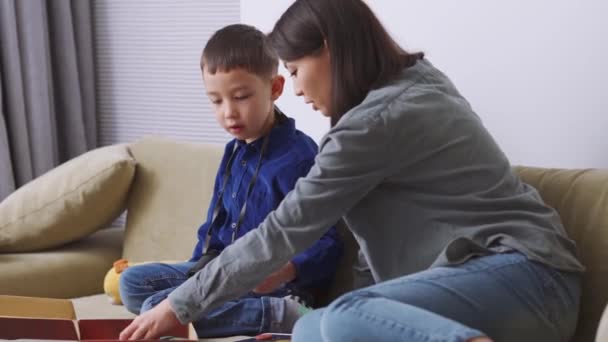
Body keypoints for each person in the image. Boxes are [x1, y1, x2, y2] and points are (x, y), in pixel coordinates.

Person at [120, 1, 584, 341]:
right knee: (311, 332)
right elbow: (371, 256)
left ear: (330, 51)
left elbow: (280, 232)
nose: (296, 90)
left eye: (296, 69)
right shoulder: (415, 84)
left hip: (530, 279)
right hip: (486, 287)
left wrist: (179, 306)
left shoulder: (375, 123)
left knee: (343, 316)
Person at [118, 23, 342, 338]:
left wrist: (286, 270)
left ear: (275, 88)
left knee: (156, 305)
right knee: (132, 284)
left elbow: (328, 242)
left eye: (240, 97)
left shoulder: (299, 157)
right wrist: (196, 279)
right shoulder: (232, 152)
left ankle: (278, 313)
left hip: (273, 286)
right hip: (222, 274)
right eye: (216, 100)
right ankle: (215, 304)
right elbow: (214, 228)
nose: (229, 113)